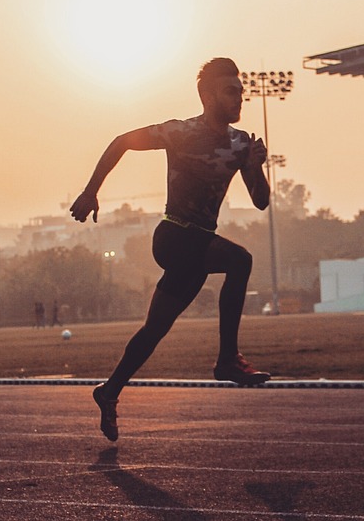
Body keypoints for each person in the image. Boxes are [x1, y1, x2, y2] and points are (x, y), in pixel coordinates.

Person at [71, 57, 272, 442]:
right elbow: (121, 142)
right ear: (207, 94)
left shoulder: (241, 143)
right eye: (231, 91)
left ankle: (108, 391)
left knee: (154, 329)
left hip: (197, 249)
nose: (239, 99)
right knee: (239, 259)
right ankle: (228, 358)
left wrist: (255, 166)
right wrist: (91, 189)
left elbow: (260, 202)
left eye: (241, 92)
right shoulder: (179, 132)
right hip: (174, 236)